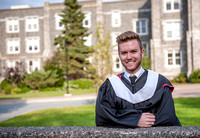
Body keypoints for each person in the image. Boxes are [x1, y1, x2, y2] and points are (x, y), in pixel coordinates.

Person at [95, 31, 181, 128]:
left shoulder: (159, 83)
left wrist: (123, 119)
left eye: (133, 51)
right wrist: (135, 120)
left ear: (142, 52)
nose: (129, 57)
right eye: (124, 53)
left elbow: (168, 119)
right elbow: (103, 120)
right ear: (119, 55)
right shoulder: (110, 86)